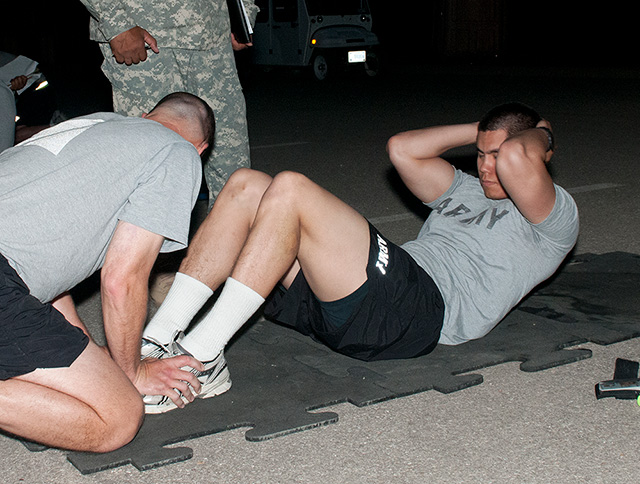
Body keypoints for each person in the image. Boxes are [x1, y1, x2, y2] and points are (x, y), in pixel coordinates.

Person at [139, 102, 579, 413]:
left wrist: (541, 129)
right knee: (247, 183)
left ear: (540, 152)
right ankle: (158, 337)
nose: (486, 167)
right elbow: (402, 149)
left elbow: (521, 156)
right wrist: (485, 128)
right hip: (358, 301)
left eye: (497, 157)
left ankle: (202, 357)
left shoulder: (552, 218)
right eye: (481, 155)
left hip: (418, 314)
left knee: (291, 187)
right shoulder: (464, 188)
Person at [0, 92, 215, 451]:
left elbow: (51, 278)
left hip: (11, 271)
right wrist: (133, 371)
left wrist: (94, 353)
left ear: (145, 115)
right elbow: (122, 279)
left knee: (94, 377)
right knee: (117, 417)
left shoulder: (91, 125)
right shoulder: (177, 152)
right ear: (202, 148)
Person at [78, 0, 259, 207]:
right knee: (151, 169)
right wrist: (117, 23)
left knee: (233, 170)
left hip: (213, 32)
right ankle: (144, 239)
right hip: (145, 36)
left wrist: (243, 15)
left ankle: (230, 239)